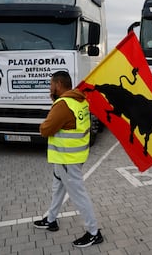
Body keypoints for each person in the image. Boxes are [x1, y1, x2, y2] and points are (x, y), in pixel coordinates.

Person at [33, 71, 103, 248]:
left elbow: (45, 129)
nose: (50, 87)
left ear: (58, 84)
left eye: (51, 84)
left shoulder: (63, 105)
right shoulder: (80, 100)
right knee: (58, 188)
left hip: (67, 159)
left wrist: (46, 119)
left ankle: (94, 232)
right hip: (73, 157)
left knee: (78, 195)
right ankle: (51, 219)